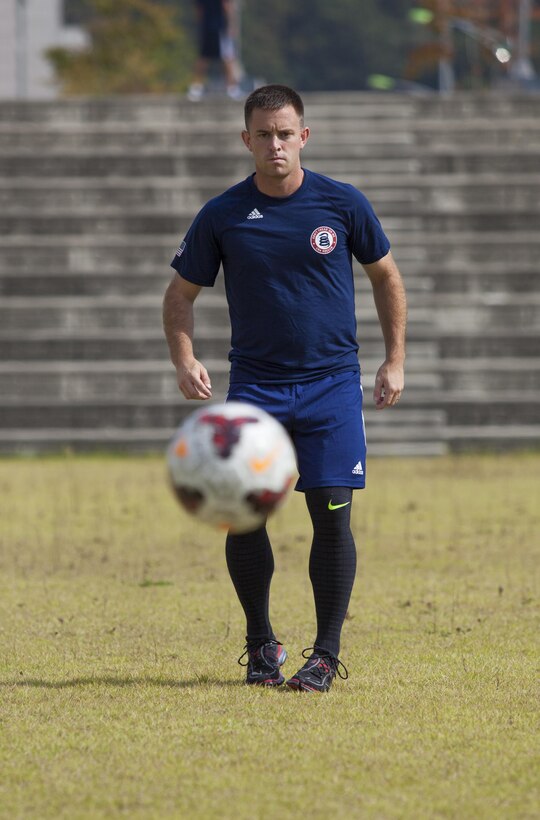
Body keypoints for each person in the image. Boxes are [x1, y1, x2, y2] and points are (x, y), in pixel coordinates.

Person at [163, 84, 407, 692]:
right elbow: (179, 296)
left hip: (330, 387)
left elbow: (386, 278)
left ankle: (324, 654)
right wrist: (184, 358)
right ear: (246, 140)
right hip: (256, 389)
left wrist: (394, 359)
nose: (276, 144)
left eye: (285, 133)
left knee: (331, 516)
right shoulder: (222, 214)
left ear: (304, 136)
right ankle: (259, 645)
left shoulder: (342, 203)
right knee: (243, 518)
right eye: (264, 134)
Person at [187, 0, 242, 101]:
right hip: (220, 27)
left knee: (204, 57)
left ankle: (196, 88)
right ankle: (232, 89)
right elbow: (226, 7)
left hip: (207, 27)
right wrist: (231, 25)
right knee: (227, 57)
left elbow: (199, 11)